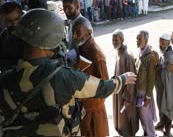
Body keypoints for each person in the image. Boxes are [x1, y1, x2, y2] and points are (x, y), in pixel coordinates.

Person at [0, 9, 137, 136]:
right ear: (51, 40)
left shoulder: (5, 80)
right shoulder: (62, 77)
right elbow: (103, 87)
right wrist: (123, 79)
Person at [71, 17, 109, 136]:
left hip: (93, 111)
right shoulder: (81, 48)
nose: (74, 37)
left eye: (78, 32)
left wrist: (89, 101)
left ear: (89, 33)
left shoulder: (96, 53)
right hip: (83, 108)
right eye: (73, 33)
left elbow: (106, 86)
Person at [112, 29, 139, 136]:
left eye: (116, 40)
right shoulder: (118, 52)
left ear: (122, 40)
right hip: (118, 93)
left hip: (125, 96)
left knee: (126, 123)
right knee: (120, 120)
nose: (114, 42)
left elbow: (132, 80)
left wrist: (128, 98)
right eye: (113, 40)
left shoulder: (127, 55)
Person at [135, 30, 159, 136]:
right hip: (139, 90)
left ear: (146, 40)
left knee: (146, 117)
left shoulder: (150, 56)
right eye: (137, 38)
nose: (137, 40)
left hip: (144, 92)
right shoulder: (141, 52)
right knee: (142, 116)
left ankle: (151, 134)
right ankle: (147, 132)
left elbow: (151, 78)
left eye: (140, 39)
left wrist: (148, 97)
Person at [155, 33, 173, 136]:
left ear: (168, 43)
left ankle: (167, 132)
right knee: (161, 108)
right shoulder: (164, 53)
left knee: (168, 109)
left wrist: (158, 65)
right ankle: (162, 124)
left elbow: (165, 76)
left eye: (163, 42)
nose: (160, 44)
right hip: (162, 88)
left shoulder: (170, 57)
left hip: (168, 90)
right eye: (160, 41)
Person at [0, 2, 24, 73]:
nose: (14, 23)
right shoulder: (4, 35)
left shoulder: (31, 35)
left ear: (22, 15)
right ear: (2, 19)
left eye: (17, 19)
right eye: (9, 21)